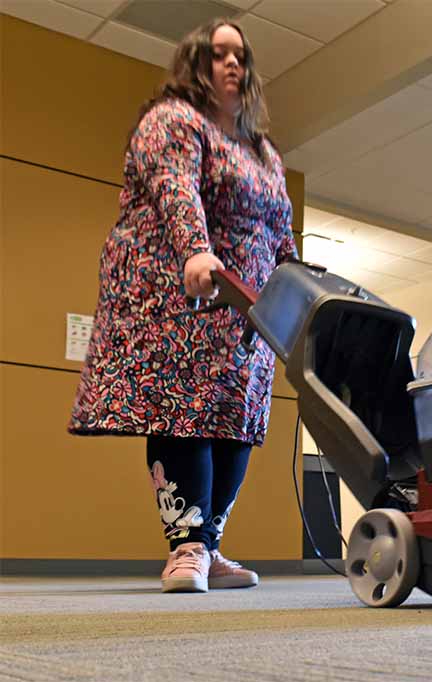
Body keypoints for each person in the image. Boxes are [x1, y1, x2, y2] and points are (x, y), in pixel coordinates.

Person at [68, 18, 297, 593]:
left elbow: (280, 227)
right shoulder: (173, 119)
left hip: (248, 312)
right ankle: (187, 546)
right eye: (219, 54)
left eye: (240, 56)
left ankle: (210, 545)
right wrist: (196, 249)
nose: (233, 64)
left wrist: (297, 290)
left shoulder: (264, 152)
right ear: (196, 63)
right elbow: (176, 186)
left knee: (237, 420)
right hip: (183, 299)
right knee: (183, 410)